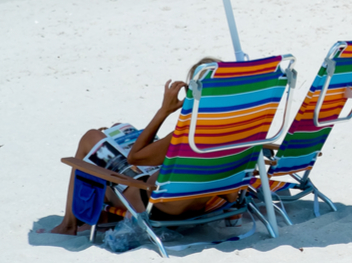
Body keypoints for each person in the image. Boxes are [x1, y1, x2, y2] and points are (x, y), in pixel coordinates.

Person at [46, 59, 231, 236]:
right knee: (122, 130)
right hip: (200, 205)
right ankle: (98, 216)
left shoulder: (188, 134)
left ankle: (68, 225)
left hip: (156, 209)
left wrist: (163, 111)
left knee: (91, 138)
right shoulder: (239, 134)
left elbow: (135, 158)